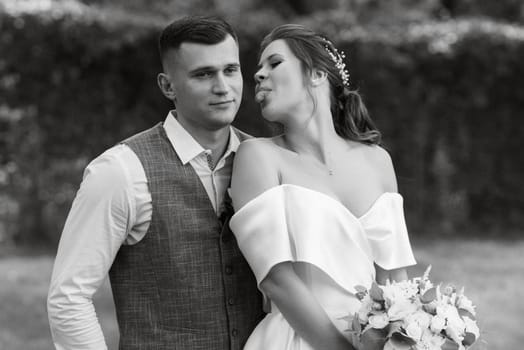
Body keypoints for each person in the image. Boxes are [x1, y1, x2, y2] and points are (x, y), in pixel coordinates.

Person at [47, 15, 264, 350]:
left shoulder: (265, 161)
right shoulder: (120, 171)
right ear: (167, 86)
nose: (222, 86)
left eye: (230, 70)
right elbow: (68, 298)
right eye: (203, 74)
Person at [229, 24, 417, 350]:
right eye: (258, 69)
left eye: (274, 63)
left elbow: (395, 280)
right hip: (296, 339)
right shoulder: (258, 156)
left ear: (316, 74)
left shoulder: (378, 161)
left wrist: (409, 339)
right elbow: (277, 280)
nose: (258, 75)